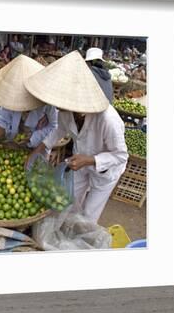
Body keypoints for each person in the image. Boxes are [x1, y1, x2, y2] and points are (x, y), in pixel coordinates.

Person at [24, 51, 128, 224]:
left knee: (88, 214)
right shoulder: (67, 111)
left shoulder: (108, 120)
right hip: (80, 164)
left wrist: (89, 160)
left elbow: (121, 155)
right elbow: (58, 132)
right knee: (70, 201)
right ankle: (66, 233)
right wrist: (38, 150)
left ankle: (80, 242)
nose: (57, 108)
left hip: (105, 171)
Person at [0, 55, 58, 149]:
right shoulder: (12, 95)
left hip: (36, 146)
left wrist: (32, 138)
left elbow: (53, 126)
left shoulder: (46, 101)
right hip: (12, 144)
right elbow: (4, 120)